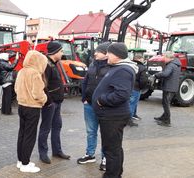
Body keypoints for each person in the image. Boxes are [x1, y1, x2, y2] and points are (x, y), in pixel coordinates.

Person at [92, 42, 138, 178]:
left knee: (111, 149)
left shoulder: (123, 70)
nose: (107, 56)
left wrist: (102, 100)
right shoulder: (118, 67)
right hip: (111, 115)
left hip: (113, 117)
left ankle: (112, 175)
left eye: (109, 53)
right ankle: (116, 173)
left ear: (117, 55)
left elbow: (122, 94)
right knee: (114, 148)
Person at [77, 42, 111, 171]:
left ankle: (105, 158)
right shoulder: (92, 64)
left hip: (104, 107)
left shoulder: (112, 67)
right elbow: (85, 81)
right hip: (89, 105)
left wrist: (105, 101)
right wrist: (84, 98)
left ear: (106, 53)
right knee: (91, 132)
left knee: (105, 133)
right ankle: (90, 155)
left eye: (98, 51)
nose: (95, 53)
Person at [15, 50, 48, 173]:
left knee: (22, 134)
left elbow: (16, 88)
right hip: (32, 108)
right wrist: (44, 99)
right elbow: (37, 94)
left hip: (21, 105)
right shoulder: (35, 74)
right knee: (30, 135)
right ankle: (25, 163)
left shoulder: (21, 72)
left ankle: (20, 160)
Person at [38, 41, 70, 164]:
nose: (62, 53)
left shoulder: (54, 63)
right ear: (55, 52)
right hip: (50, 103)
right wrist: (49, 102)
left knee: (57, 126)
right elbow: (43, 85)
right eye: (61, 51)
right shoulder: (47, 65)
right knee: (45, 128)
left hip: (57, 102)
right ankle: (43, 153)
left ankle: (57, 151)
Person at [154, 51, 181, 127]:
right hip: (172, 87)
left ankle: (167, 121)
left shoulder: (171, 65)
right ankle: (163, 117)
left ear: (169, 57)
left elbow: (166, 74)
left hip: (169, 87)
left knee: (166, 104)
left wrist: (157, 74)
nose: (163, 59)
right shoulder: (176, 64)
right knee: (165, 103)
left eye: (165, 57)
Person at [128, 54, 149, 126]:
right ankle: (129, 120)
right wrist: (141, 87)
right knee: (132, 104)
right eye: (143, 59)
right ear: (140, 59)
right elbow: (143, 80)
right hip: (136, 88)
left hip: (129, 87)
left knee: (131, 103)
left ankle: (133, 115)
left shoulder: (130, 65)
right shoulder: (142, 68)